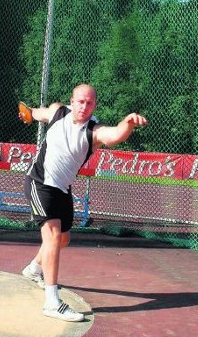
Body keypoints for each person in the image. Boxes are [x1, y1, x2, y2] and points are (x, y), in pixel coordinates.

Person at [18, 83, 148, 322]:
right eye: (80, 101)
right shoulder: (58, 112)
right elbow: (39, 113)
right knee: (54, 237)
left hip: (62, 189)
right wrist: (29, 112)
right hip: (39, 182)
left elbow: (115, 135)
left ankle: (34, 269)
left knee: (63, 240)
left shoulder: (94, 131)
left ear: (94, 105)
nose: (84, 107)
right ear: (72, 100)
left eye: (89, 103)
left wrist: (128, 123)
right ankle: (51, 301)